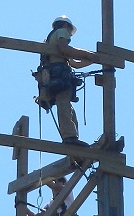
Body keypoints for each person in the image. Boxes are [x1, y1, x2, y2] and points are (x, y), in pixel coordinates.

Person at [34, 15, 95, 145]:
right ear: (66, 26)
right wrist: (87, 54)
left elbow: (74, 64)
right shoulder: (62, 32)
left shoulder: (50, 40)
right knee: (64, 105)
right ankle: (70, 137)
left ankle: (73, 137)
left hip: (52, 78)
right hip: (59, 76)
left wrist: (91, 60)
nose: (69, 36)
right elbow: (64, 48)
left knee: (68, 108)